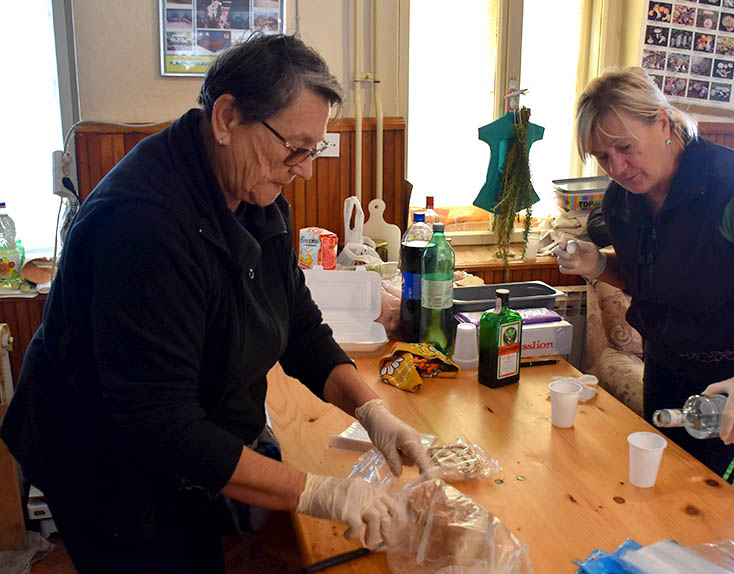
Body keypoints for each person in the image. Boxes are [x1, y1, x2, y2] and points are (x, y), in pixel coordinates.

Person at [0, 34, 430, 573]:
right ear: (227, 117)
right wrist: (321, 492)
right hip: (101, 457)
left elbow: (298, 322)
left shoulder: (253, 189)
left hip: (180, 439)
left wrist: (372, 411)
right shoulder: (141, 224)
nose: (305, 168)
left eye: (313, 149)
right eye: (293, 148)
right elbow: (164, 426)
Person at [557, 67, 734, 492]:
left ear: (662, 122)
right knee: (659, 494)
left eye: (624, 147)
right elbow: (660, 279)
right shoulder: (623, 201)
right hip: (667, 369)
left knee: (710, 504)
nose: (617, 167)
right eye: (602, 156)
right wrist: (600, 266)